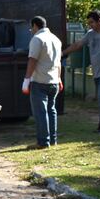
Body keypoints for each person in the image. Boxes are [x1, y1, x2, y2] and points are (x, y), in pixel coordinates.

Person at [62, 9, 100, 132]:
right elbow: (78, 44)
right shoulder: (91, 33)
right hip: (97, 72)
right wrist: (63, 53)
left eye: (92, 22)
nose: (90, 25)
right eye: (89, 23)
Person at [22, 16, 63, 149]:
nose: (31, 30)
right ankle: (53, 140)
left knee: (40, 113)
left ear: (35, 26)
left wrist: (26, 80)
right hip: (54, 81)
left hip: (40, 81)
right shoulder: (56, 39)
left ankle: (43, 142)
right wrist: (59, 78)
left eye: (31, 28)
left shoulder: (37, 39)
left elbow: (32, 60)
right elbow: (58, 62)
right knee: (52, 111)